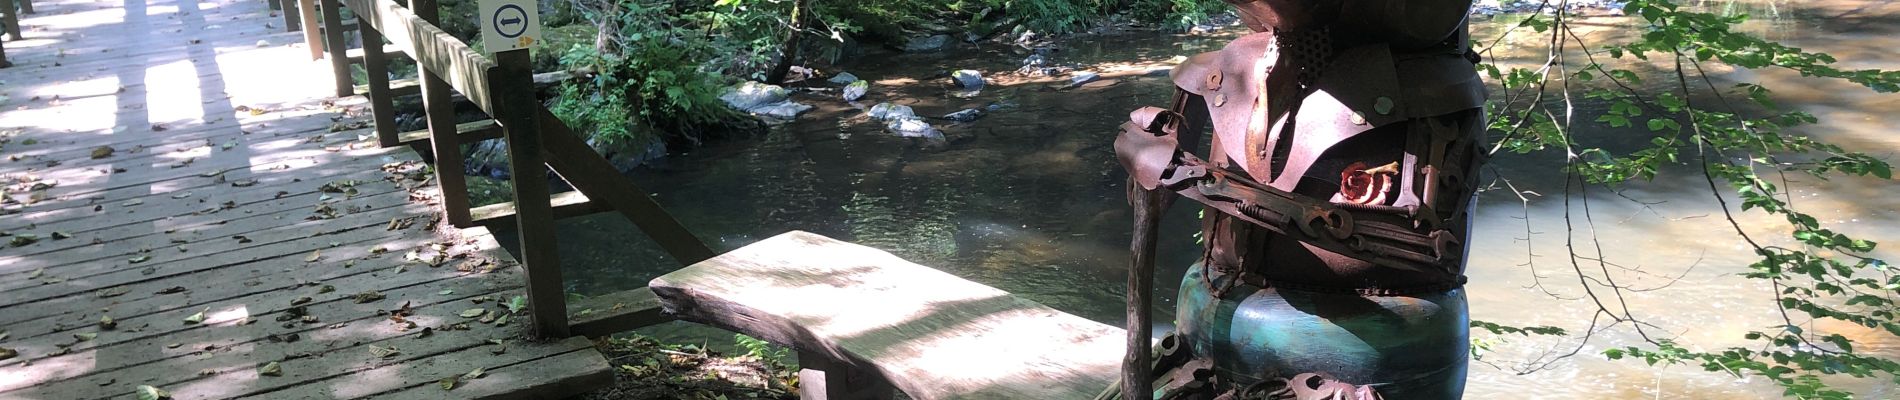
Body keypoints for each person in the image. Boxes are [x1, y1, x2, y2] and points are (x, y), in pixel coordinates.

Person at [1114, 0, 1488, 398]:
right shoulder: (1228, 70)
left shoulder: (1434, 85)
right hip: (1207, 333)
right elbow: (1152, 201)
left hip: (1365, 358)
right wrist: (1148, 160)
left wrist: (1184, 174)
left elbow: (1433, 249)